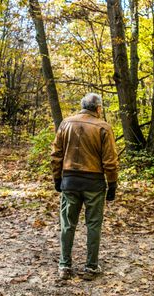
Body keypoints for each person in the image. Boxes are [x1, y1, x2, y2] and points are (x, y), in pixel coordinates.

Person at [50, 93, 119, 281]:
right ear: (98, 108)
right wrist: (112, 184)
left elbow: (56, 154)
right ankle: (91, 267)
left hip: (70, 181)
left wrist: (58, 178)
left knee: (67, 224)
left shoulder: (66, 124)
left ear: (82, 106)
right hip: (94, 183)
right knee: (94, 224)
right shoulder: (103, 127)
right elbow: (110, 161)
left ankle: (64, 266)